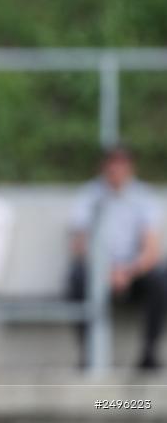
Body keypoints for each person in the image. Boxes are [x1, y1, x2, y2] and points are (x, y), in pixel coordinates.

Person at [67, 145, 166, 370]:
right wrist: (107, 271)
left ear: (131, 168)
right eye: (112, 163)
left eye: (122, 164)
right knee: (76, 277)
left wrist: (128, 272)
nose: (117, 169)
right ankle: (89, 355)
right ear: (103, 166)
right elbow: (80, 246)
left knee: (161, 279)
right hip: (98, 269)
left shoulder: (144, 197)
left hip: (134, 270)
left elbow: (151, 249)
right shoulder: (88, 195)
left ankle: (149, 355)